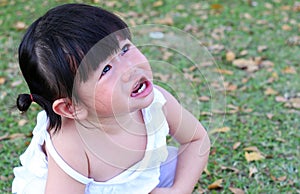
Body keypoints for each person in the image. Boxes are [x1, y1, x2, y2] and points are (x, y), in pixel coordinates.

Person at [12, 3, 210, 194]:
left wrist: (179, 190)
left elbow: (196, 140)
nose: (129, 68)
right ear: (72, 107)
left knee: (177, 162)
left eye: (124, 49)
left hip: (131, 182)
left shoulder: (158, 103)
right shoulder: (72, 144)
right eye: (106, 70)